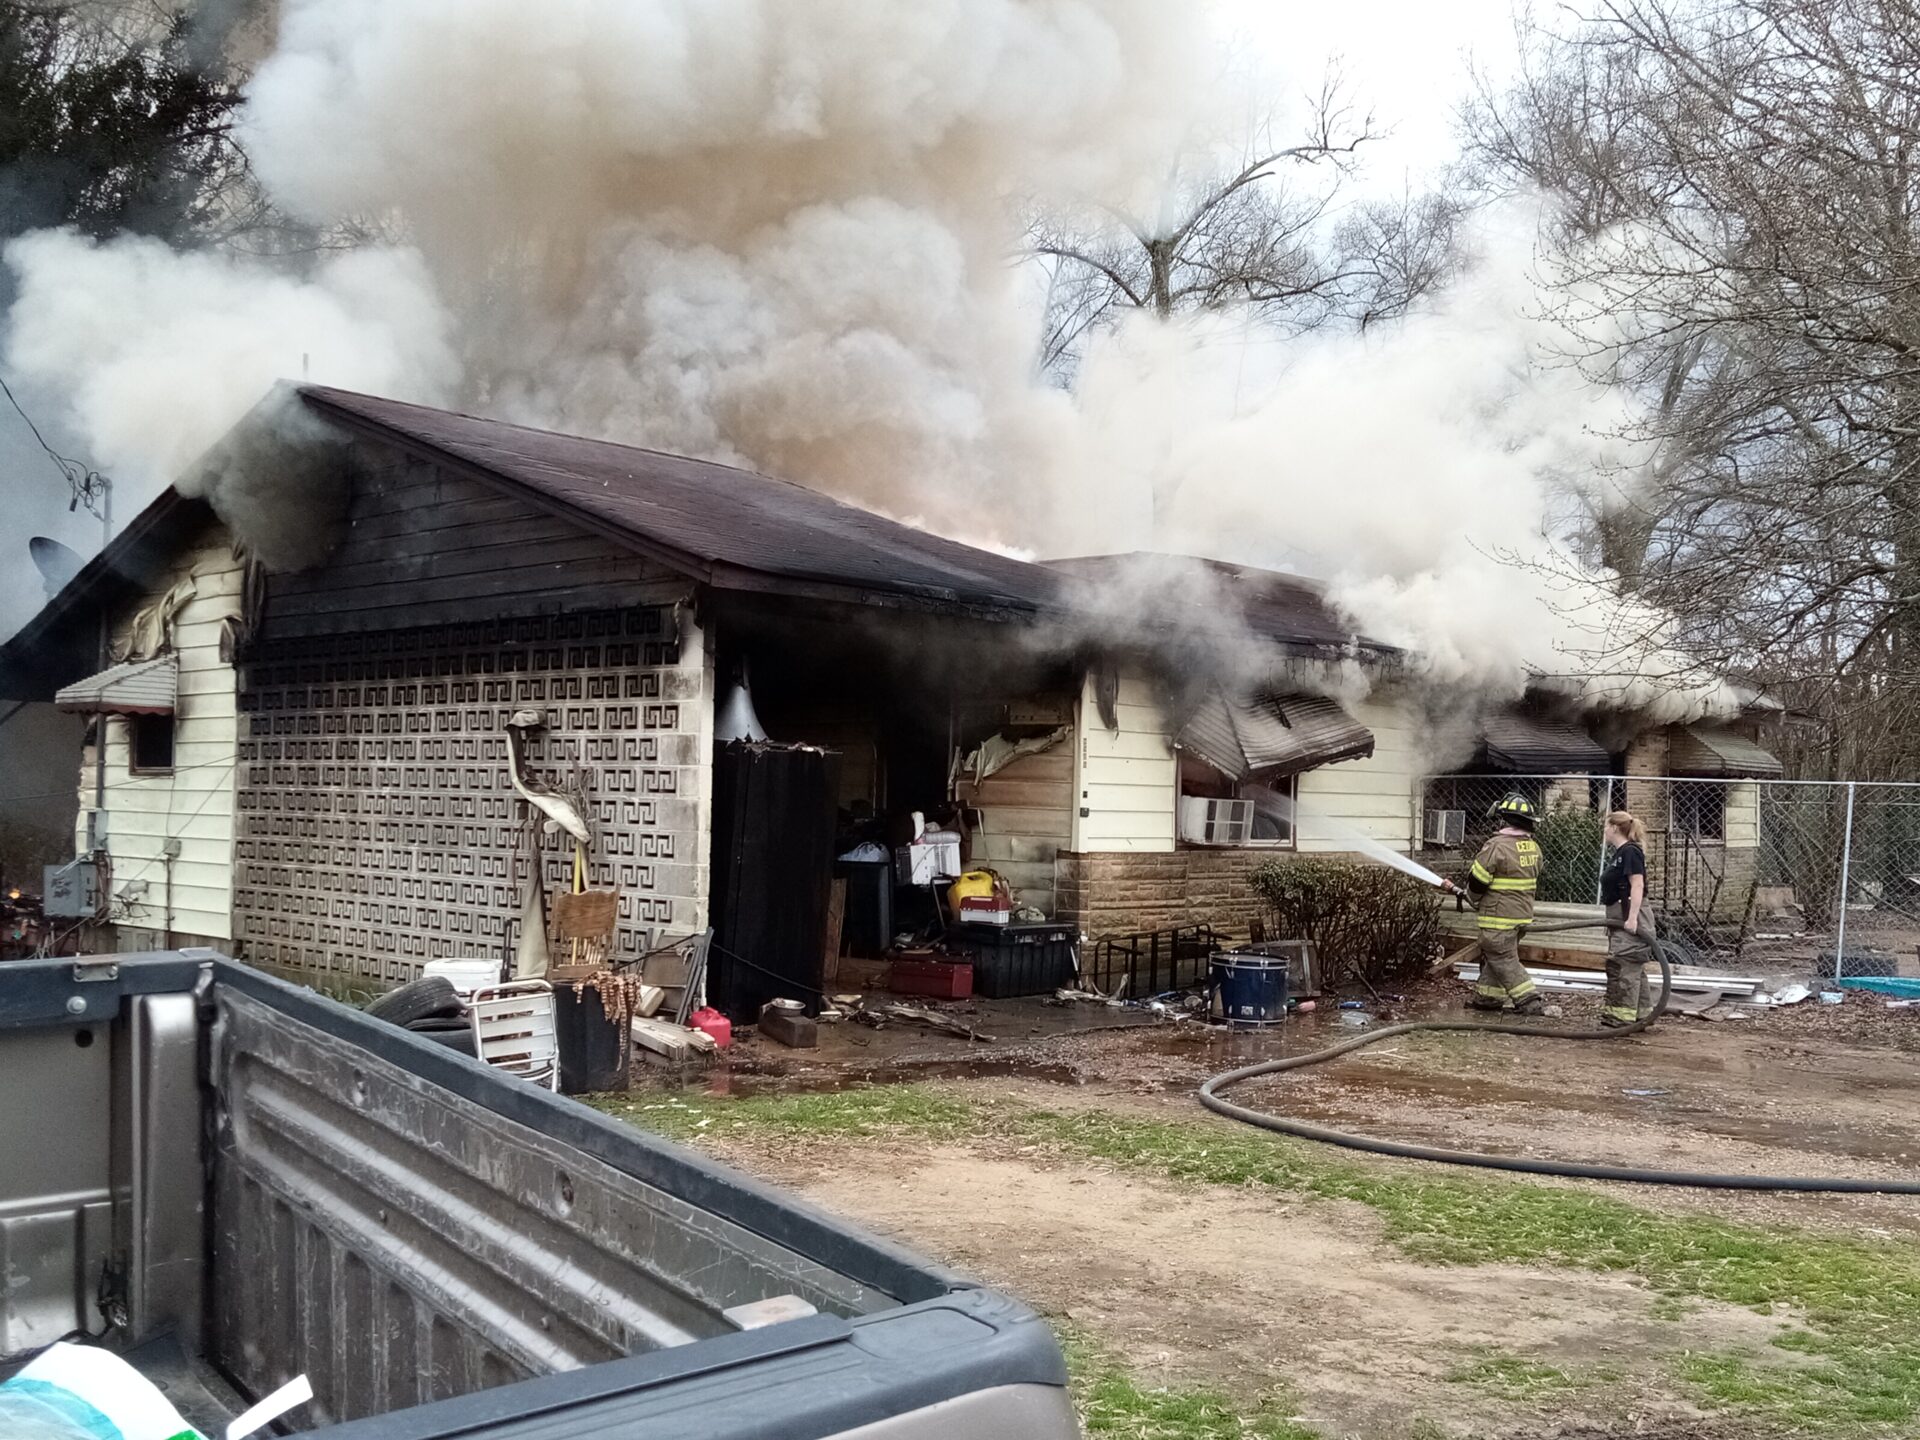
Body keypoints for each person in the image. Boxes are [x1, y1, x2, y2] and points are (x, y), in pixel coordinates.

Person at [1445, 793, 1544, 1014]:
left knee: (1502, 957)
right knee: (1496, 955)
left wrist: (1471, 897)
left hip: (1498, 916)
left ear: (1504, 820)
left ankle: (1529, 1000)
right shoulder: (1533, 847)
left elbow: (1478, 881)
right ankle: (1488, 998)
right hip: (1521, 914)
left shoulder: (1496, 846)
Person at [1600, 810, 1658, 1027]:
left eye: (1607, 826)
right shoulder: (1621, 853)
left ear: (1615, 828)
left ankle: (1622, 1016)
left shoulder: (1630, 852)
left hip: (1630, 917)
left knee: (1625, 963)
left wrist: (1632, 918)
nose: (1605, 831)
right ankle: (1642, 1014)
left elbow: (1637, 884)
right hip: (1620, 916)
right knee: (1632, 966)